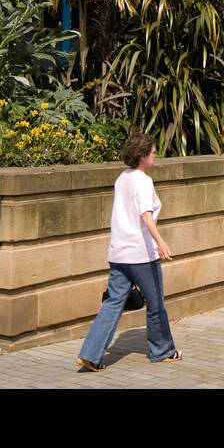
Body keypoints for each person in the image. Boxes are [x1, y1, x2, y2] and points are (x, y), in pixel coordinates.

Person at [77, 132, 182, 370]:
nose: (156, 155)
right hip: (141, 255)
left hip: (118, 253)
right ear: (143, 156)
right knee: (156, 304)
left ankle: (91, 355)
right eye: (154, 152)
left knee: (113, 303)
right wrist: (161, 242)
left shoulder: (122, 178)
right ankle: (163, 350)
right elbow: (145, 214)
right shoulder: (144, 181)